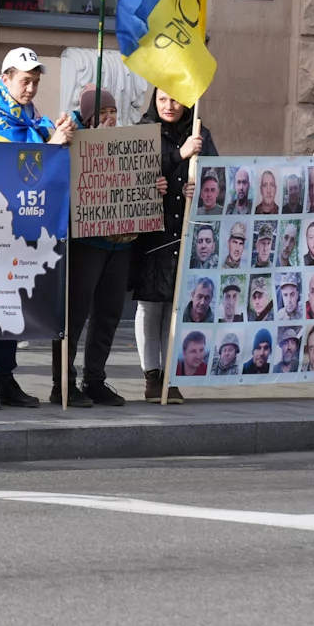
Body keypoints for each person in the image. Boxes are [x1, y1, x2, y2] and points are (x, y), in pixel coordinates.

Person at [0, 48, 71, 409]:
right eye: (25, 81)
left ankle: (4, 376)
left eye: (36, 82)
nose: (32, 88)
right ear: (6, 78)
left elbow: (44, 143)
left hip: (18, 223)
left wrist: (66, 131)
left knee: (10, 300)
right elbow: (13, 166)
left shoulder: (30, 115)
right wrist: (51, 147)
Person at [50, 85, 136, 409]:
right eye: (103, 113)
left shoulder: (125, 141)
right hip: (85, 242)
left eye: (113, 112)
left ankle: (95, 379)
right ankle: (63, 384)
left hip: (118, 243)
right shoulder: (74, 139)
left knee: (109, 313)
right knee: (73, 315)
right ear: (88, 116)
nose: (110, 118)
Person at [131, 90, 212, 404]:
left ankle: (169, 375)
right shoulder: (145, 130)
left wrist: (202, 183)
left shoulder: (199, 133)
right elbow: (131, 175)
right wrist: (177, 157)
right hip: (153, 235)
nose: (169, 106)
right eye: (163, 99)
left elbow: (219, 177)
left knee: (174, 310)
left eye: (176, 100)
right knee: (150, 307)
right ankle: (152, 375)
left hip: (186, 234)